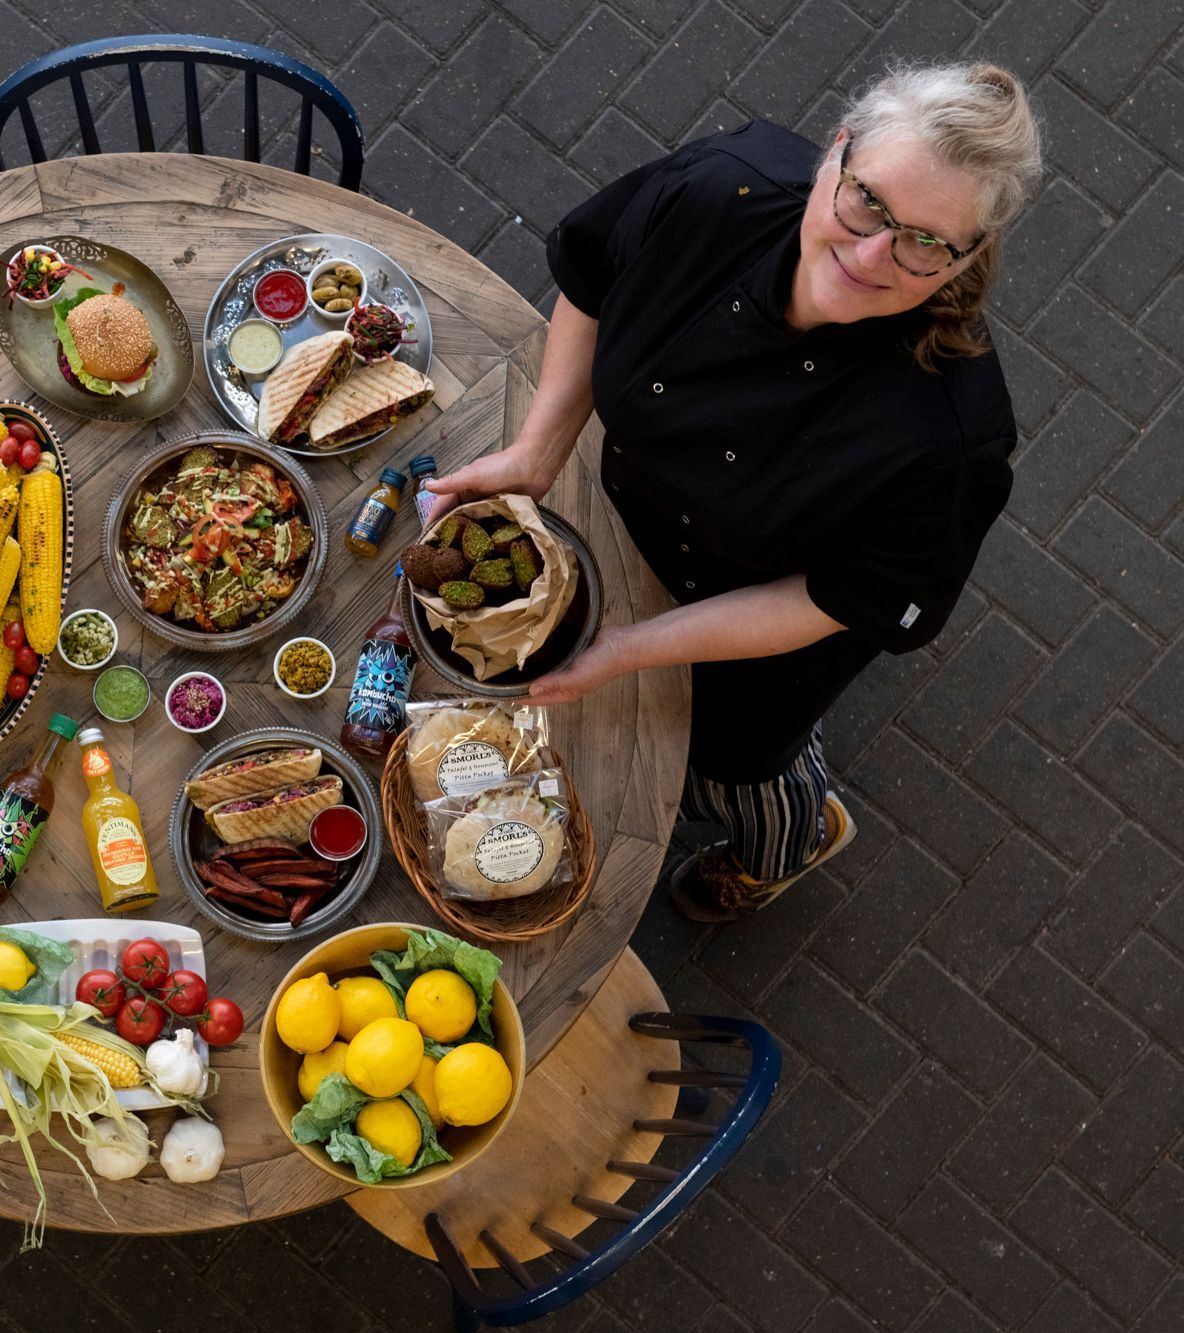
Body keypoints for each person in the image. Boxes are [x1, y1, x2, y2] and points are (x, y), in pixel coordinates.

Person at [425, 63, 1043, 922]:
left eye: (926, 243)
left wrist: (631, 648)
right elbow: (595, 278)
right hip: (628, 523)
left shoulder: (954, 437)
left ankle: (790, 842)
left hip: (759, 645)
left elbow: (838, 598)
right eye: (867, 202)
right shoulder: (718, 190)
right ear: (835, 153)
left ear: (966, 257)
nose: (872, 256)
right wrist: (539, 448)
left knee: (736, 772)